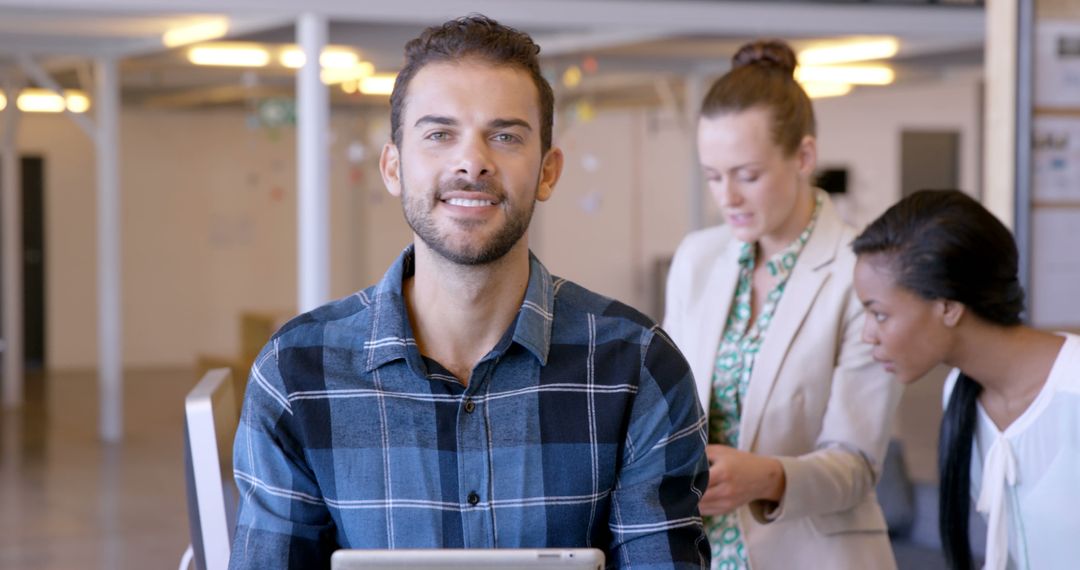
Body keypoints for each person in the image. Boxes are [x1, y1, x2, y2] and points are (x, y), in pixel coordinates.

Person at [228, 15, 710, 570]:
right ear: (393, 167)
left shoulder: (638, 368)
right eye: (439, 134)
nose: (472, 161)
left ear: (549, 172)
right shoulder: (295, 374)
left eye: (504, 136)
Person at [662, 39, 902, 569]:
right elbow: (667, 404)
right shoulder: (698, 259)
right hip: (701, 552)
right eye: (713, 176)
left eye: (747, 175)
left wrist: (769, 476)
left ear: (804, 157)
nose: (728, 197)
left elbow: (857, 464)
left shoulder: (860, 270)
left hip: (815, 553)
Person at [852, 189, 1080, 570]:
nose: (867, 335)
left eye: (879, 315)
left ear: (948, 307)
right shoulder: (959, 393)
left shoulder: (1073, 390)